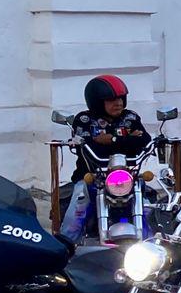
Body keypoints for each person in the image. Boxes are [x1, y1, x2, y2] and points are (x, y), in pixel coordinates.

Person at [58, 75, 151, 241]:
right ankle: (65, 250)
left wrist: (112, 139)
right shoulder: (84, 120)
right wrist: (128, 139)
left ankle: (154, 245)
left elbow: (144, 140)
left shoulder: (130, 118)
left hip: (128, 177)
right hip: (93, 178)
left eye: (121, 98)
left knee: (148, 208)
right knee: (77, 210)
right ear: (97, 102)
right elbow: (91, 147)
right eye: (111, 99)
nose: (119, 103)